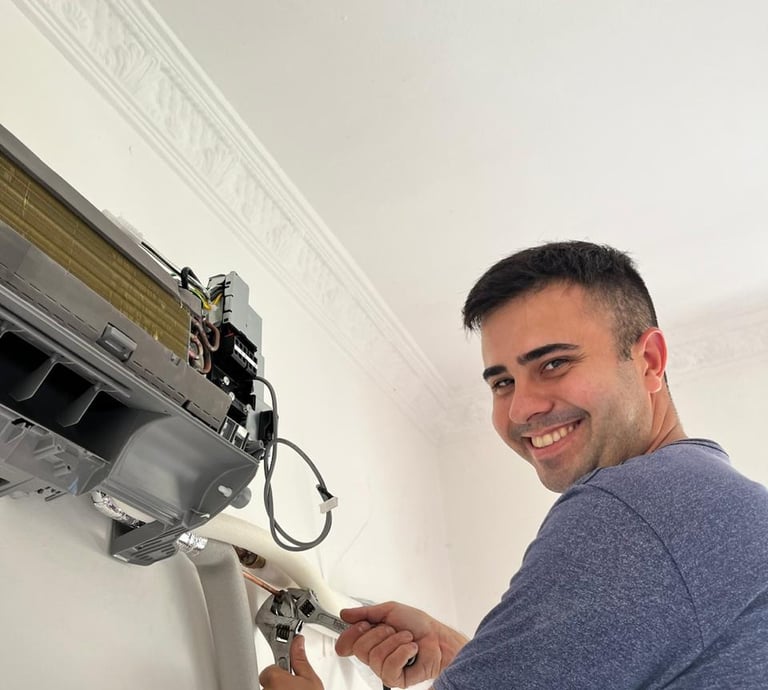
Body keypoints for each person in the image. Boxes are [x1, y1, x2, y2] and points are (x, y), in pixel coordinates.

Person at [260, 241, 768, 689]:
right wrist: (469, 658)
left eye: (553, 364)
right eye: (502, 382)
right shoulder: (712, 503)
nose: (521, 409)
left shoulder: (632, 509)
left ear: (650, 361)